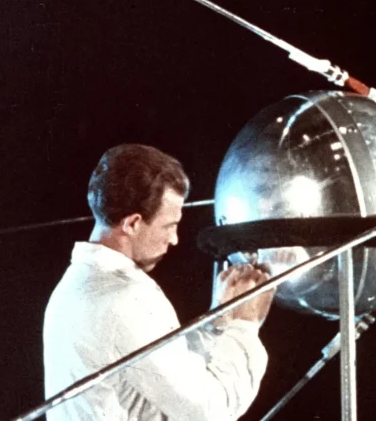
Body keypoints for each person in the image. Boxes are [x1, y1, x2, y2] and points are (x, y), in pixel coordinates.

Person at [43, 144, 274, 420]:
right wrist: (244, 327)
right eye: (169, 226)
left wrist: (216, 323)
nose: (174, 239)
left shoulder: (77, 283)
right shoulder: (127, 299)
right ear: (132, 224)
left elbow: (161, 369)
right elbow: (211, 411)